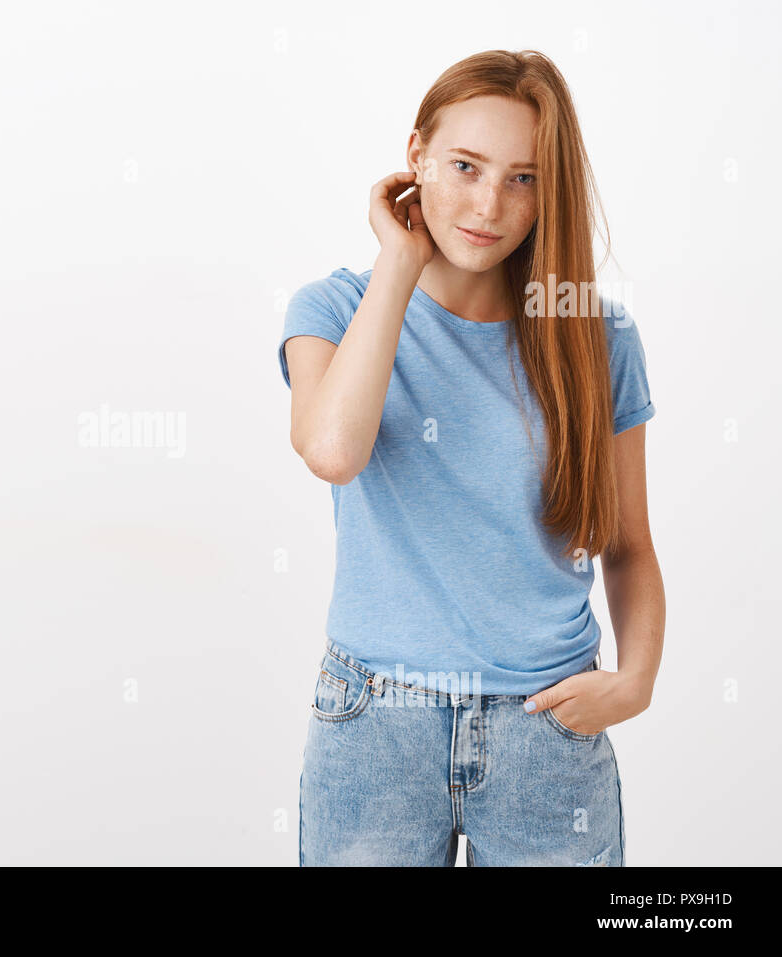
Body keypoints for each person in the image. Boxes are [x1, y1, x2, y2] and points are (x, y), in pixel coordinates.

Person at [278, 49, 665, 866]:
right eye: (465, 166)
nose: (489, 204)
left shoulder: (597, 337)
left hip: (547, 731)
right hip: (375, 725)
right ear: (414, 154)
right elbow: (334, 449)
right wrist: (401, 260)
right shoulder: (332, 308)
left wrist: (635, 682)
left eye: (523, 178)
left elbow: (629, 543)